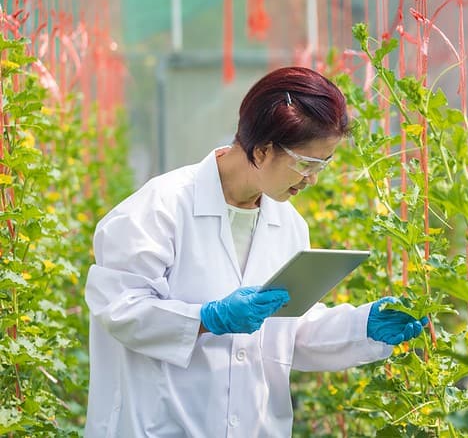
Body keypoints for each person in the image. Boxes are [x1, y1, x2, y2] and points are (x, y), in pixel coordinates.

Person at [84, 66, 429, 437]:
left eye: (323, 164)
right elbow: (118, 309)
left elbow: (288, 330)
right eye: (306, 164)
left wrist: (364, 326)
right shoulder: (159, 208)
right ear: (262, 150)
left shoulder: (289, 225)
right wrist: (206, 318)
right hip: (158, 426)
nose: (311, 179)